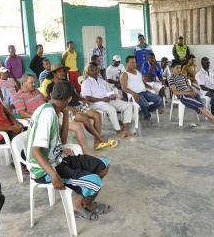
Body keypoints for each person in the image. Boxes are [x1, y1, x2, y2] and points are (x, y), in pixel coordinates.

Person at [27, 80, 111, 221]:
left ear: (52, 94)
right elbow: (36, 151)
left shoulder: (54, 110)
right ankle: (81, 205)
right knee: (95, 182)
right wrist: (54, 175)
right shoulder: (47, 114)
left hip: (59, 160)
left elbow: (63, 140)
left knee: (103, 164)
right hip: (45, 170)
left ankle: (82, 203)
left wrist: (65, 114)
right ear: (70, 99)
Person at [46, 64, 115, 151]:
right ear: (53, 74)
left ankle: (97, 142)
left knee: (97, 115)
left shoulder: (66, 83)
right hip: (67, 108)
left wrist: (82, 98)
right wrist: (69, 107)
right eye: (60, 71)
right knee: (84, 118)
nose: (63, 73)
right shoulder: (50, 87)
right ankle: (100, 138)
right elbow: (53, 102)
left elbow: (74, 94)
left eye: (63, 71)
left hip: (77, 104)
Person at [169, 60, 214, 131]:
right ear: (172, 68)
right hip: (184, 96)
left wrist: (193, 90)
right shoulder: (171, 78)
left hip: (191, 93)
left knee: (203, 107)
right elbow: (175, 92)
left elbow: (189, 85)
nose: (179, 70)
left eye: (180, 68)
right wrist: (189, 93)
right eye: (177, 68)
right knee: (201, 106)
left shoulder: (183, 76)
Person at [82, 65, 136, 138]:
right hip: (98, 103)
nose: (94, 72)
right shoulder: (86, 83)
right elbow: (88, 98)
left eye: (95, 70)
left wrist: (115, 96)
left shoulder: (102, 81)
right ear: (87, 73)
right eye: (92, 71)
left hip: (109, 100)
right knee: (112, 110)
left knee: (128, 105)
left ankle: (125, 128)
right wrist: (102, 99)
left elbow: (109, 91)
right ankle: (118, 131)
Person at [121, 55, 163, 126]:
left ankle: (145, 111)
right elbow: (123, 88)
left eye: (134, 62)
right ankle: (146, 117)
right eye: (131, 62)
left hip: (144, 92)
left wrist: (147, 86)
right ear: (127, 63)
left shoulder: (137, 71)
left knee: (159, 100)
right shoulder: (125, 74)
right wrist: (133, 93)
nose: (134, 64)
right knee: (145, 104)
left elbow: (141, 81)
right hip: (135, 94)